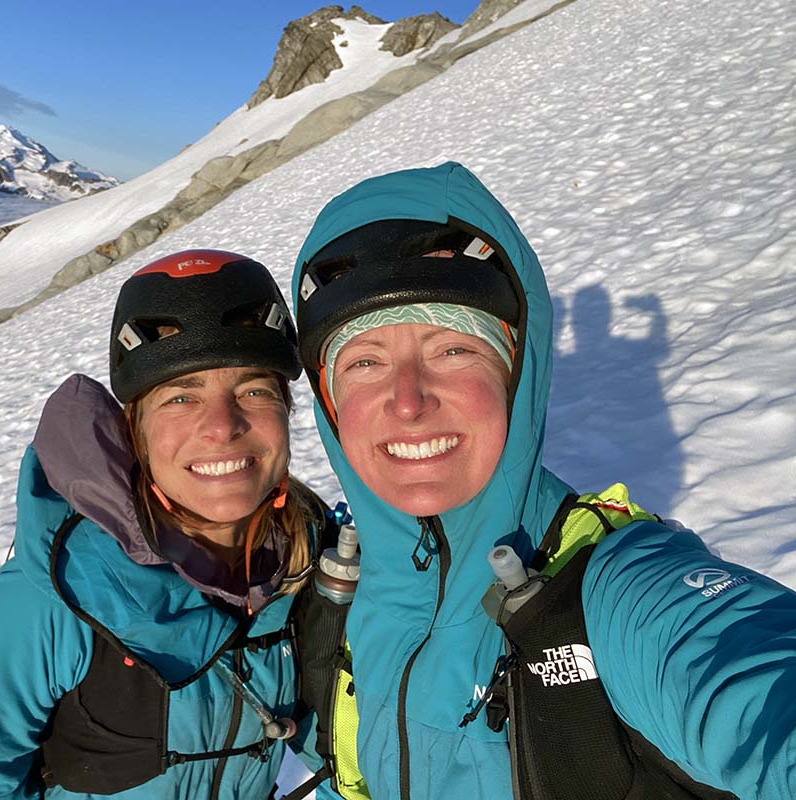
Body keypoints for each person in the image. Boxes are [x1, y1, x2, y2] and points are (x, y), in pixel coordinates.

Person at [289, 162, 796, 799]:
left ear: (516, 371)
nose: (409, 400)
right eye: (364, 361)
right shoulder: (350, 595)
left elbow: (752, 678)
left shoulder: (612, 592)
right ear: (329, 404)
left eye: (453, 348)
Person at [0, 249, 336, 799]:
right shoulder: (56, 594)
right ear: (137, 433)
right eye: (180, 397)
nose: (222, 427)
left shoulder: (311, 561)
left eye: (253, 390)